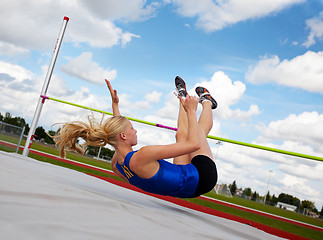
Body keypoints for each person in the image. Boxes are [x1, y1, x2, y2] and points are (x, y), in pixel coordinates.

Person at [54, 76, 218, 198]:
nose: (136, 131)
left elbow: (116, 138)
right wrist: (191, 111)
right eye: (132, 128)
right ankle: (207, 101)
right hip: (203, 177)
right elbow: (195, 143)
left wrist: (115, 106)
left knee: (180, 135)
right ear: (124, 135)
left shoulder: (117, 165)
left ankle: (182, 96)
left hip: (186, 184)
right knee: (198, 132)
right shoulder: (143, 155)